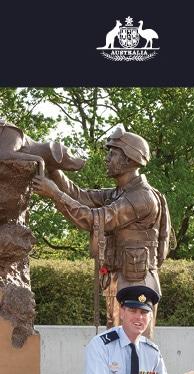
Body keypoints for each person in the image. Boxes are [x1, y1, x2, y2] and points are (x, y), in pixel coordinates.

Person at [32, 124, 173, 333]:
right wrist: (53, 168)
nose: (107, 159)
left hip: (137, 283)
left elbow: (94, 219)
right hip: (120, 278)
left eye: (112, 154)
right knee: (114, 349)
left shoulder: (141, 197)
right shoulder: (119, 193)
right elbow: (81, 196)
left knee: (134, 349)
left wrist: (54, 194)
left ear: (128, 159)